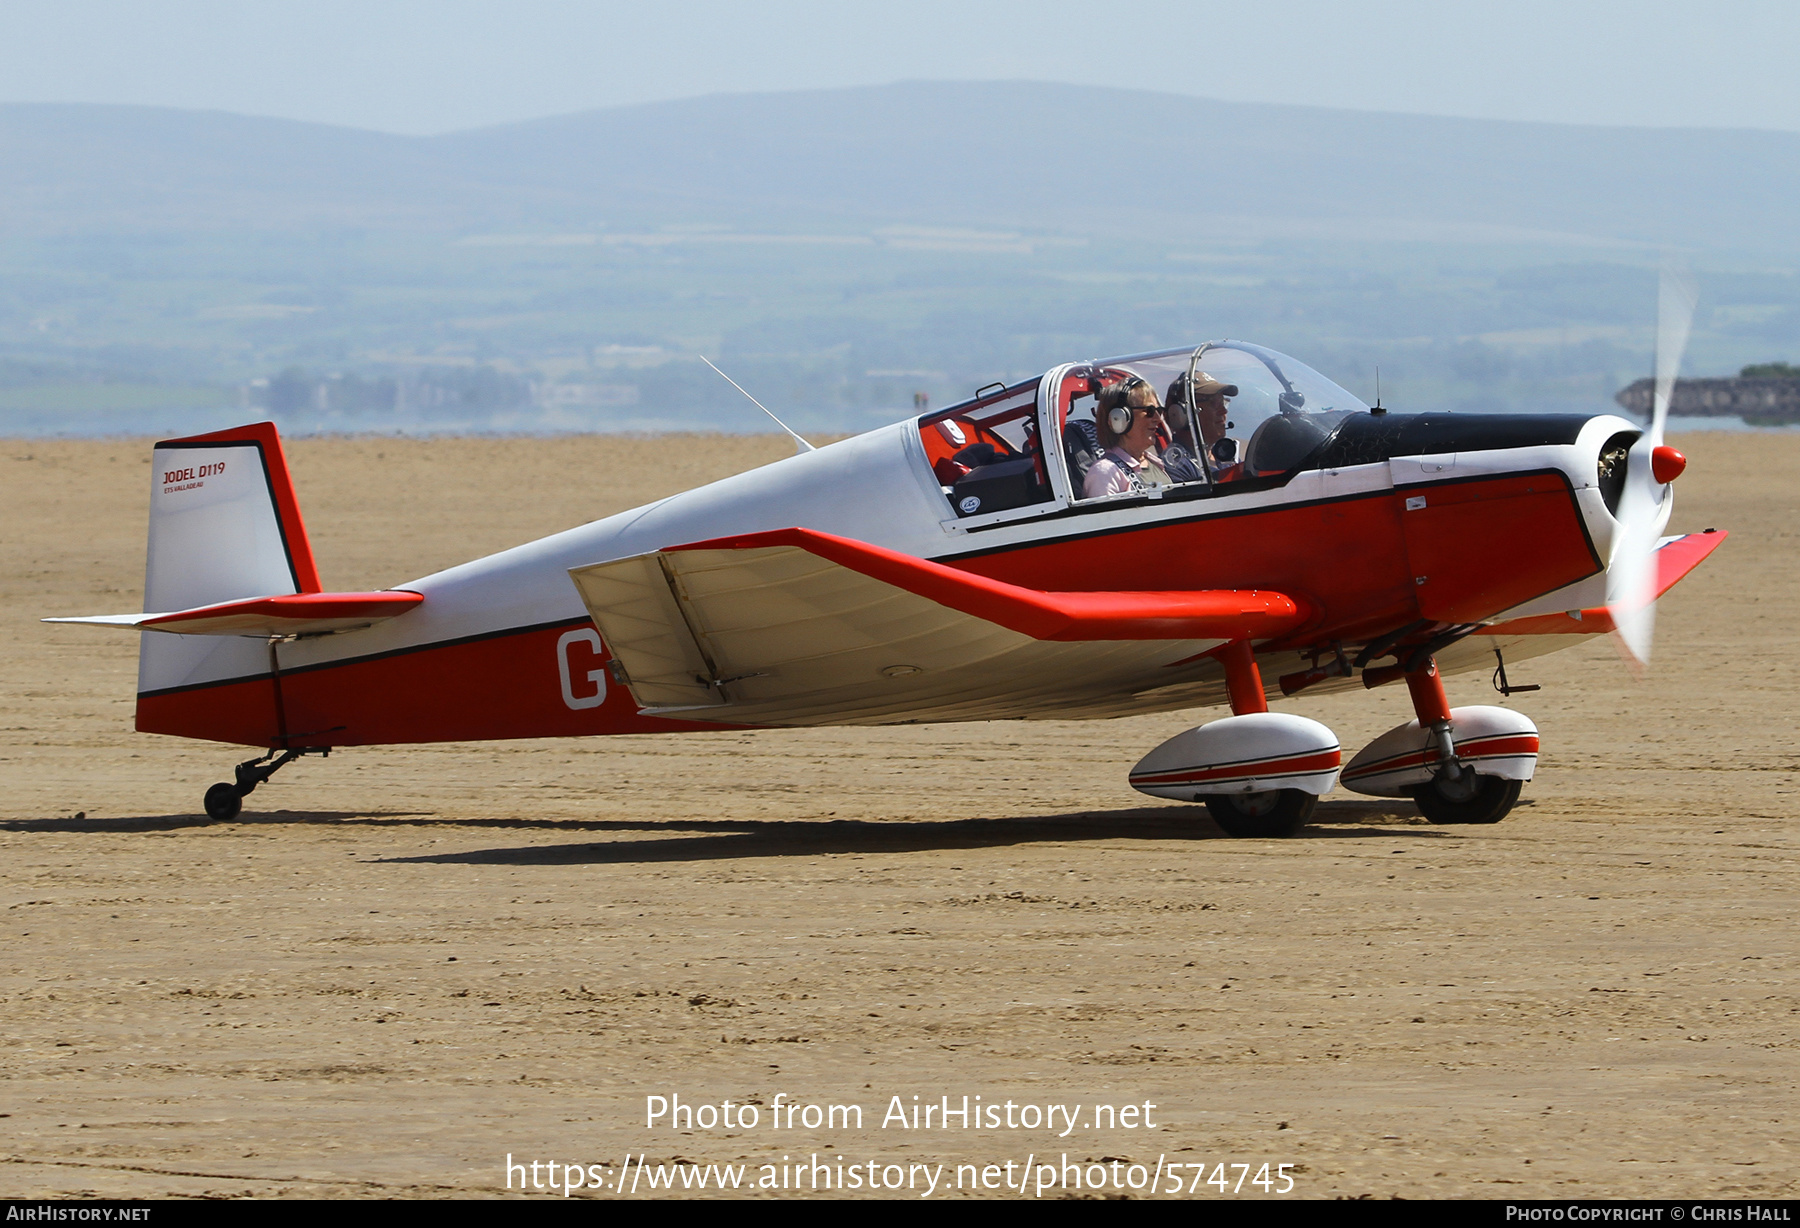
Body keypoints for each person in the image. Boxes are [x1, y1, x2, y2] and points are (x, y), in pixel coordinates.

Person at [1082, 375, 1173, 498]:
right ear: (1119, 418)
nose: (1158, 418)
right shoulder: (1105, 474)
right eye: (1149, 411)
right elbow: (1108, 518)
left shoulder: (1156, 464)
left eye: (1159, 411)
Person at [1165, 372, 1241, 481]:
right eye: (1214, 403)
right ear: (1182, 414)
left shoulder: (1226, 455)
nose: (1224, 411)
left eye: (1223, 402)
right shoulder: (1177, 466)